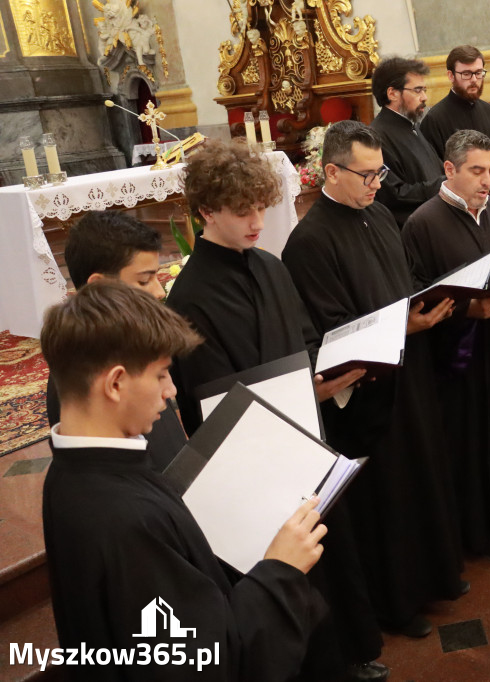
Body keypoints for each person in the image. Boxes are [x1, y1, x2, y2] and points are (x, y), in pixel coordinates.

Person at [164, 139, 387, 682]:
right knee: (280, 568)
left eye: (261, 206)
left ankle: (347, 654)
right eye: (242, 211)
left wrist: (326, 371)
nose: (257, 220)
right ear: (206, 211)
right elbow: (211, 397)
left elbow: (305, 338)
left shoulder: (269, 266)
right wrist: (297, 393)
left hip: (303, 437)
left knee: (327, 555)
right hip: (250, 458)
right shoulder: (189, 298)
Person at [41, 280, 328, 682]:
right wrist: (280, 568)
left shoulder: (70, 466)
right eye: (160, 375)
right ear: (116, 383)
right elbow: (206, 660)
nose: (171, 391)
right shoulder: (122, 518)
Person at [282, 121, 466, 639]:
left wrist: (421, 310)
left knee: (424, 476)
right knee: (389, 497)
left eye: (380, 172)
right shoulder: (309, 241)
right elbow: (330, 323)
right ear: (331, 172)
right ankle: (397, 602)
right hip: (366, 394)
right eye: (366, 174)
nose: (377, 184)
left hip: (408, 373)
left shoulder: (381, 215)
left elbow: (404, 280)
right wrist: (400, 323)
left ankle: (436, 577)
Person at [402, 130, 490, 562]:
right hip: (458, 356)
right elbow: (414, 294)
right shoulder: (422, 223)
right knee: (472, 441)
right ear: (449, 170)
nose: (487, 181)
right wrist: (467, 312)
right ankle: (480, 531)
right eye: (477, 171)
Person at [44, 210, 186, 473]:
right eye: (144, 280)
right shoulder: (84, 371)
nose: (158, 291)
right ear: (98, 285)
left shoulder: (130, 344)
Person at [370, 55, 444, 228]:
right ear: (392, 93)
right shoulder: (376, 137)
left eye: (424, 90)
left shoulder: (412, 126)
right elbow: (393, 194)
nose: (424, 97)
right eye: (417, 90)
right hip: (414, 230)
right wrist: (443, 184)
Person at [419, 44, 490, 157]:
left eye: (478, 73)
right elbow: (433, 169)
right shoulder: (434, 120)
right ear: (451, 75)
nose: (474, 80)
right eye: (466, 74)